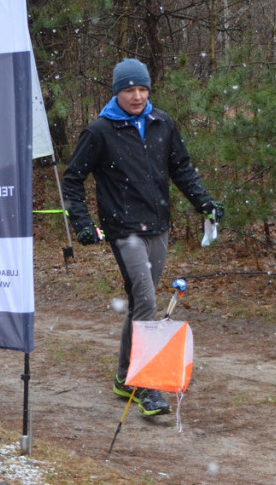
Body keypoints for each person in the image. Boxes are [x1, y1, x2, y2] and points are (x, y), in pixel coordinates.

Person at [62, 58, 223, 417]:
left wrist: (204, 203)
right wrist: (83, 223)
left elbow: (181, 168)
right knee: (147, 303)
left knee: (139, 305)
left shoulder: (162, 122)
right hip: (124, 231)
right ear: (117, 92)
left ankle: (123, 377)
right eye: (129, 90)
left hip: (158, 227)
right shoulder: (99, 132)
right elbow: (72, 180)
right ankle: (147, 387)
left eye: (142, 89)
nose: (136, 96)